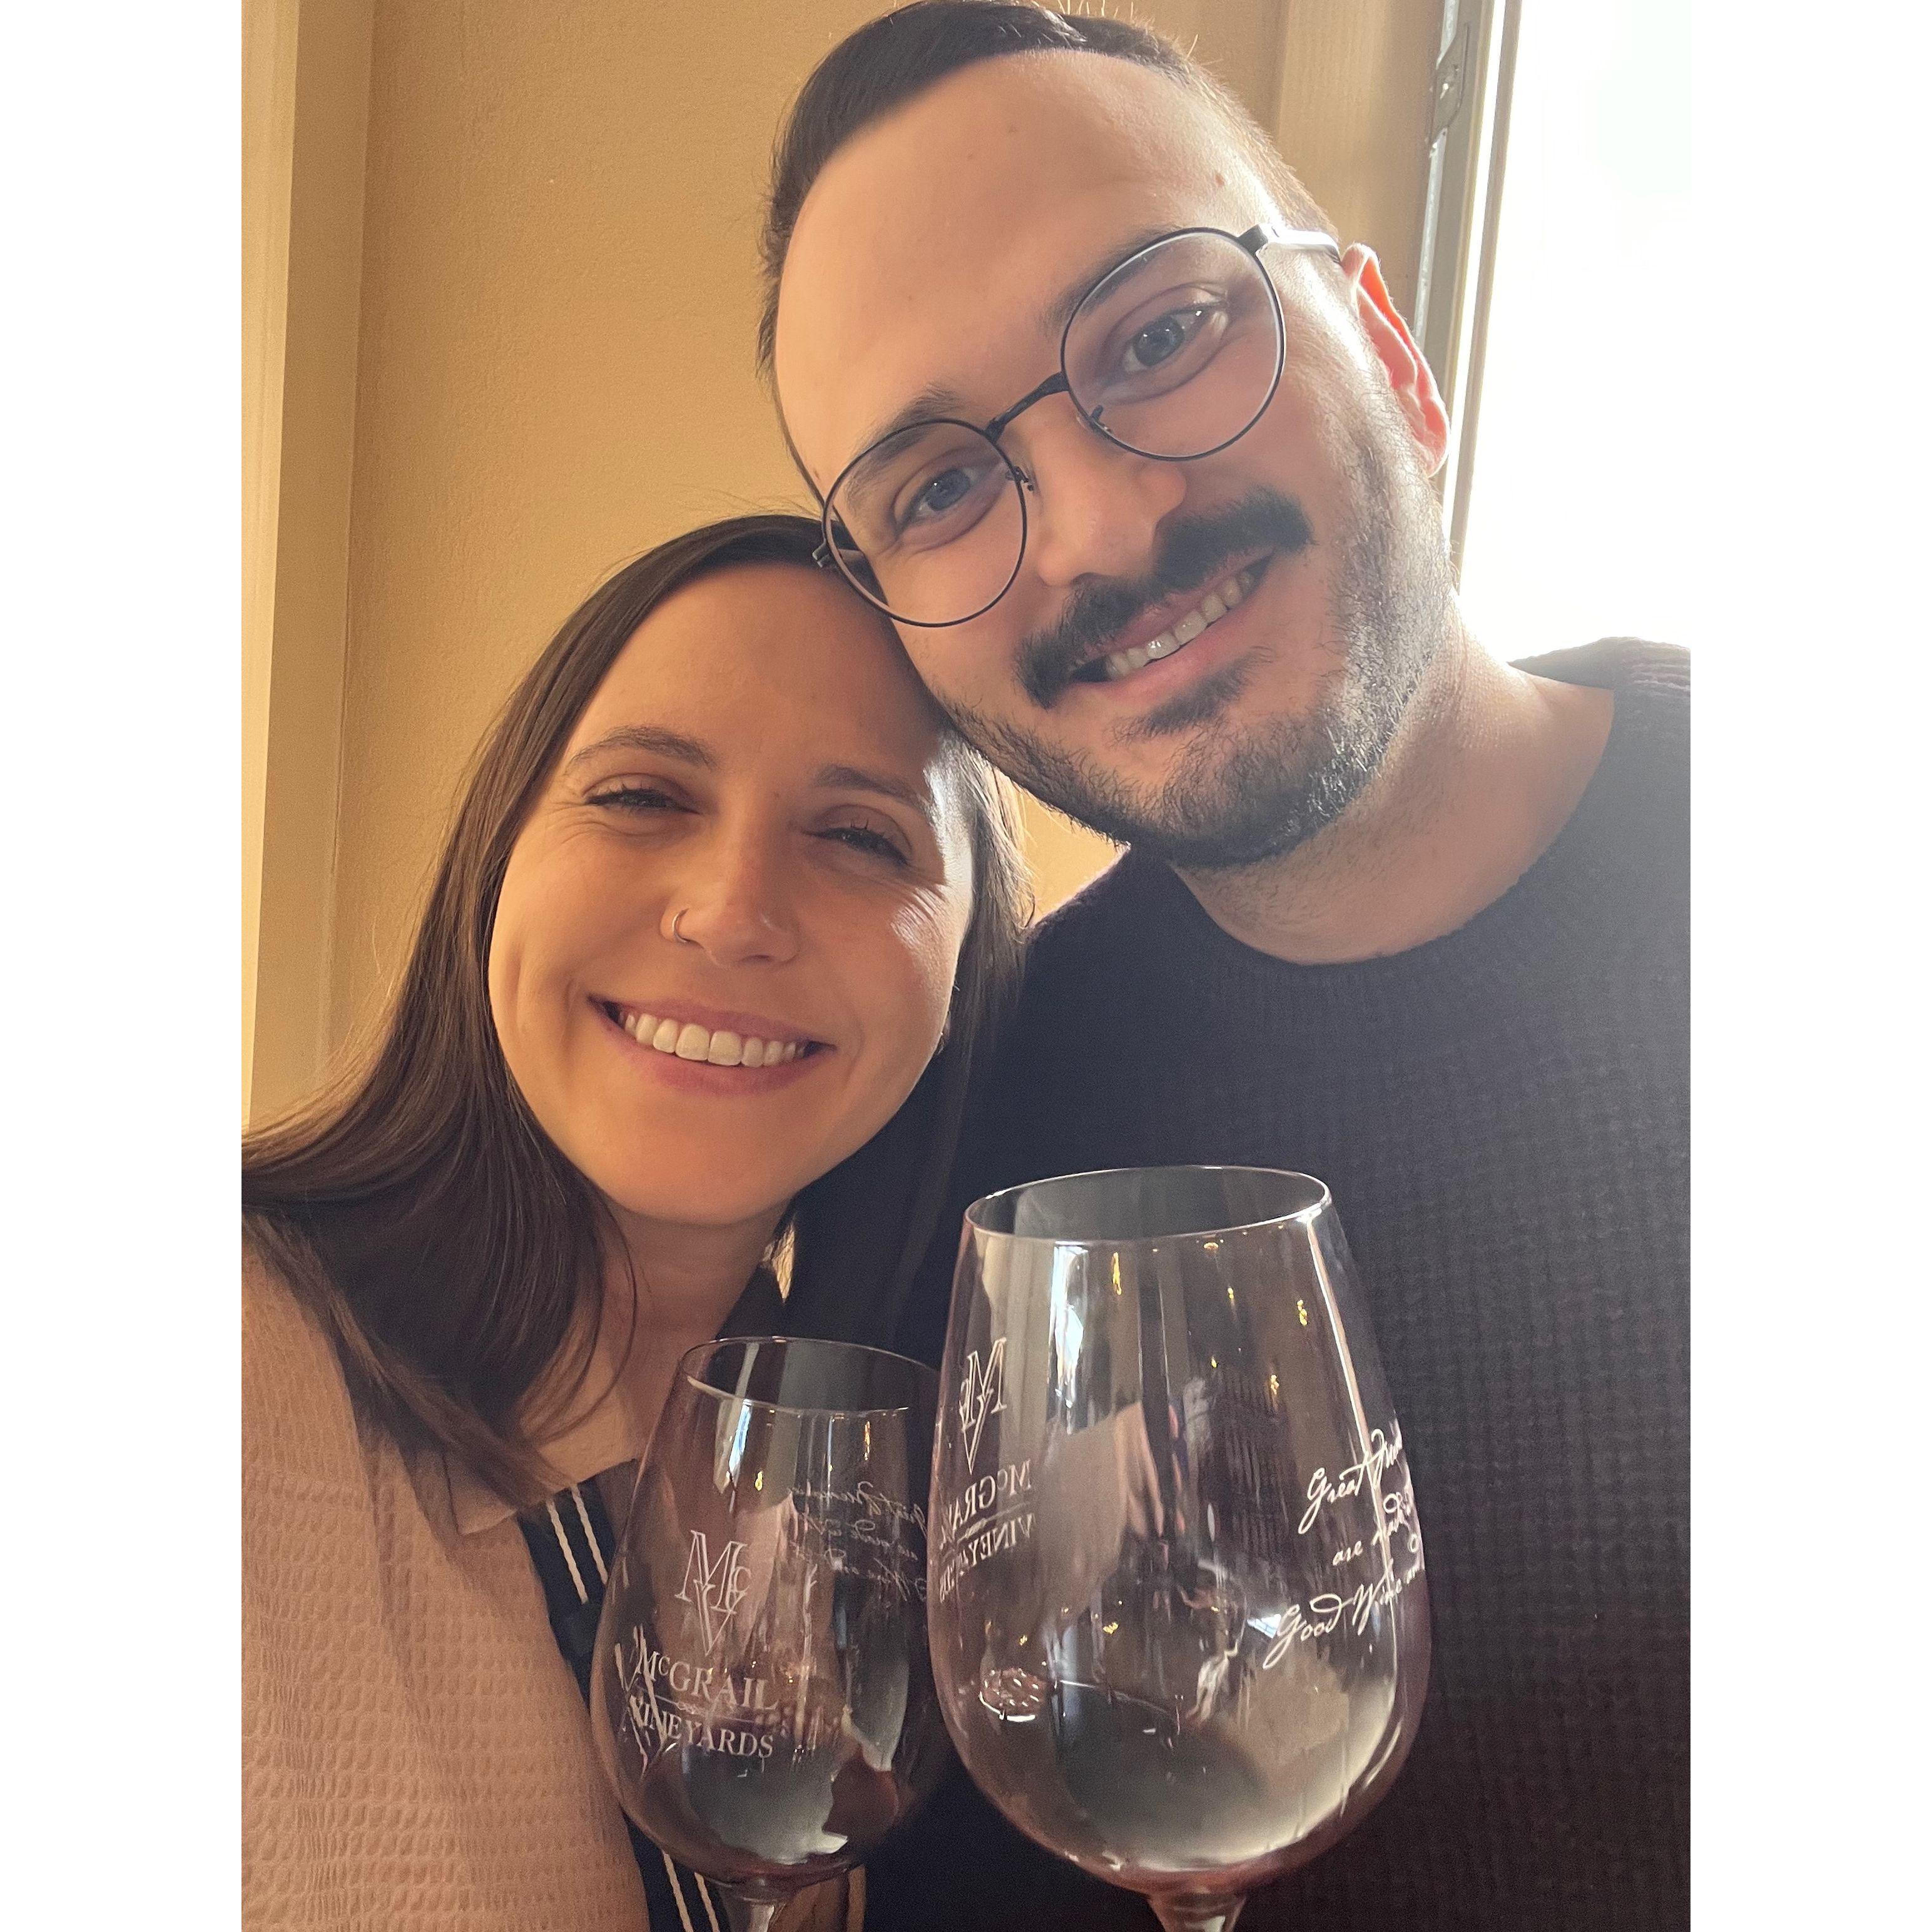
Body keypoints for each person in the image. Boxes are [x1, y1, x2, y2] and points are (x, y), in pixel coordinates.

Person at [761, 6, 1688, 1928]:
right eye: (937, 487)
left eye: (1164, 332)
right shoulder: (958, 1136)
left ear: (1392, 354)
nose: (1107, 528)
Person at [242, 513, 1027, 1931]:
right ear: (501, 851)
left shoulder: (902, 1512)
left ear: (968, 963)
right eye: (642, 795)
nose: (731, 912)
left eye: (860, 835)